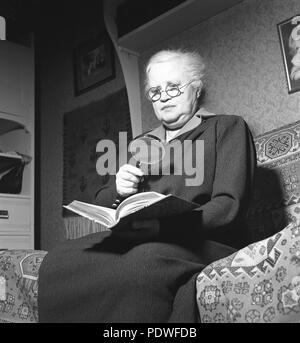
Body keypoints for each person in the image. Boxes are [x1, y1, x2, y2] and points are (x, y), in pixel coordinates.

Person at [38, 48, 256, 323]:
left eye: (173, 87)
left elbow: (228, 206)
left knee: (143, 261)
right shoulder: (143, 143)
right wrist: (119, 188)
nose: (163, 96)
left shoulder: (226, 127)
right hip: (146, 238)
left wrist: (164, 227)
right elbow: (103, 200)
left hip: (201, 240)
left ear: (196, 89)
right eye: (155, 91)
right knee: (62, 257)